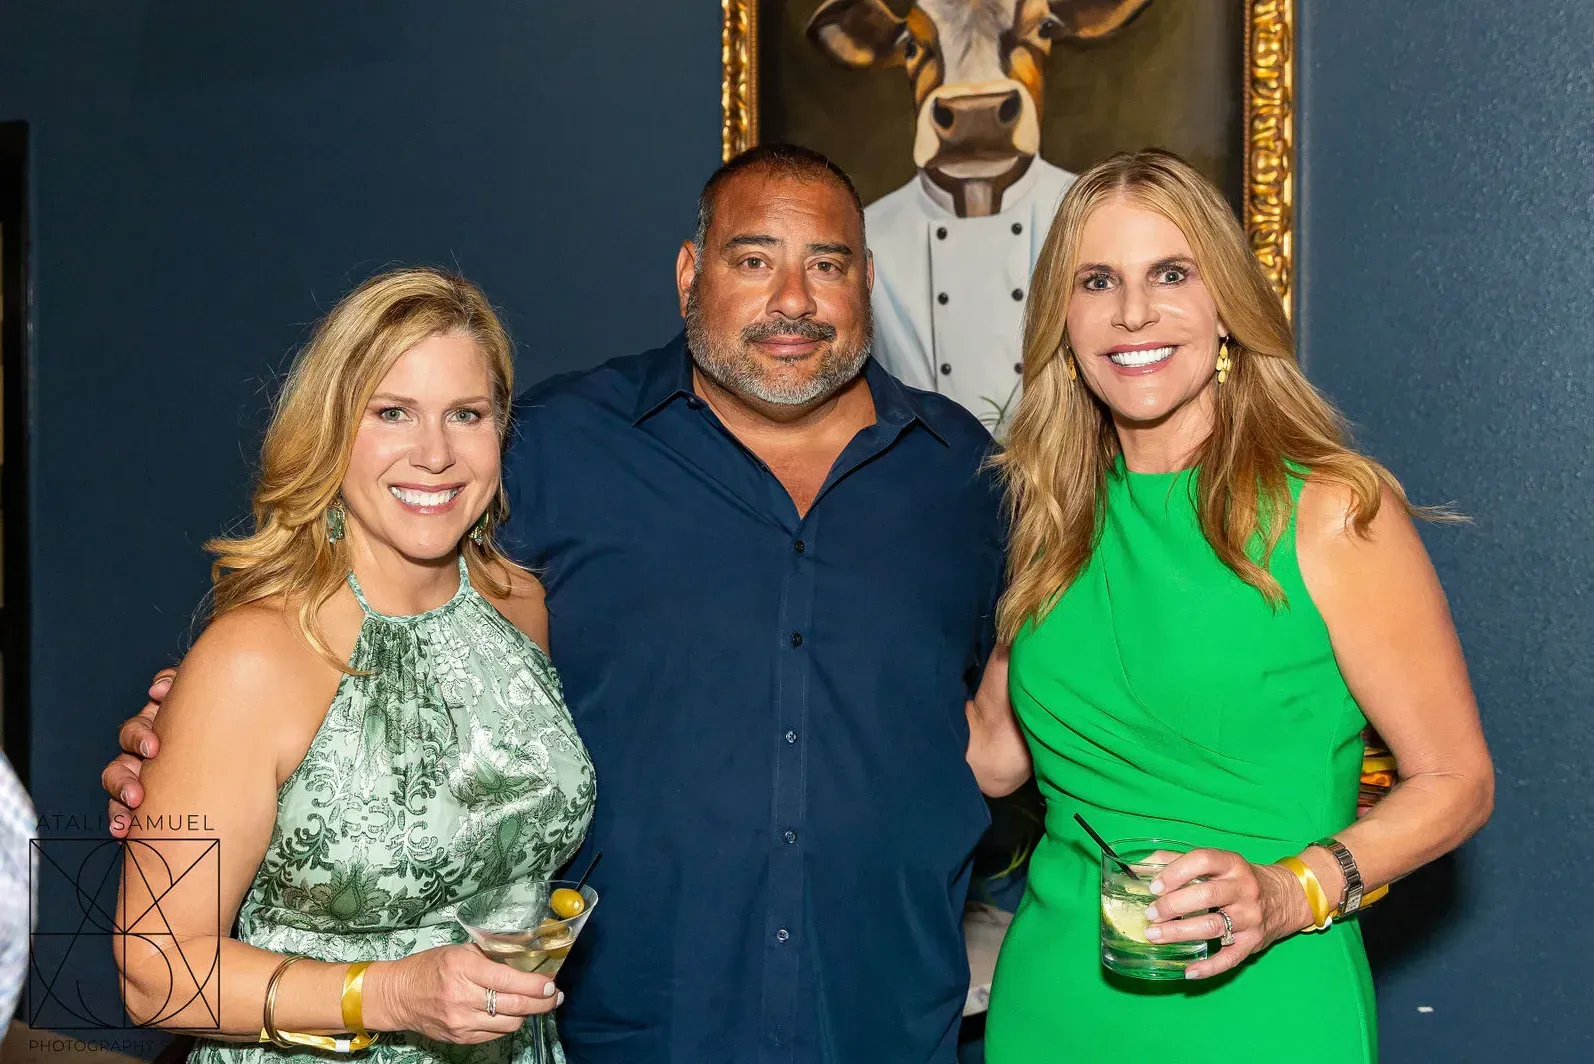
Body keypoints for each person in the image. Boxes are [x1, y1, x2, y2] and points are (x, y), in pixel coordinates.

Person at [105, 145, 1009, 1064]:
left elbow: (1010, 712)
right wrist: (186, 733)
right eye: (752, 259)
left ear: (865, 277)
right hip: (630, 1027)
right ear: (690, 275)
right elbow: (337, 624)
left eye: (827, 264)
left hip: (884, 1017)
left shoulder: (962, 474)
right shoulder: (564, 446)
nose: (793, 300)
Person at [965, 149, 1495, 1060]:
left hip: (1265, 1002)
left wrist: (1292, 891)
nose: (1133, 312)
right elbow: (994, 759)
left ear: (1227, 309)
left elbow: (1457, 781)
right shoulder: (1055, 518)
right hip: (1056, 1002)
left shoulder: (1328, 510)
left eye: (1172, 273)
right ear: (1064, 316)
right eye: (1098, 280)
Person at [113, 269, 595, 1063]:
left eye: (466, 415)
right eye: (392, 413)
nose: (435, 453)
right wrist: (390, 992)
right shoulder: (253, 657)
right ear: (331, 431)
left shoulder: (519, 606)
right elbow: (154, 973)